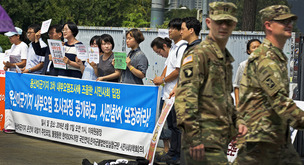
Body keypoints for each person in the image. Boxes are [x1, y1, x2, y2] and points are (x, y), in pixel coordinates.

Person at [175, 2, 247, 164]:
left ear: (233, 25)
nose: (223, 26)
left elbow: (224, 100)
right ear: (209, 23)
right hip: (202, 142)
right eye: (218, 22)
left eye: (227, 22)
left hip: (219, 140)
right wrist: (194, 138)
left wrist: (238, 122)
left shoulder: (223, 58)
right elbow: (185, 98)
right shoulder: (199, 55)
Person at [235, 5, 304, 165]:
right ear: (268, 25)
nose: (289, 24)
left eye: (290, 21)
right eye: (282, 21)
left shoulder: (275, 56)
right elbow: (280, 103)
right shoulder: (266, 59)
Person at [154, 18, 187, 164]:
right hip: (168, 93)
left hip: (176, 93)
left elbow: (180, 71)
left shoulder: (183, 47)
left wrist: (163, 80)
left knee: (177, 127)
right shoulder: (174, 47)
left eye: (173, 28)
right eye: (169, 28)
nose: (169, 31)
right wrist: (160, 78)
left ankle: (178, 155)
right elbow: (168, 67)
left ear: (181, 30)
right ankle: (172, 152)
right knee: (172, 126)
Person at [151, 37, 173, 155]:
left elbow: (177, 72)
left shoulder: (175, 54)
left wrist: (162, 79)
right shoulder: (169, 58)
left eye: (159, 52)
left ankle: (170, 150)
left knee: (170, 125)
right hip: (165, 93)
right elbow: (165, 72)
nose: (159, 55)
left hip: (171, 95)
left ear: (164, 46)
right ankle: (166, 149)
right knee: (164, 123)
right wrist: (160, 79)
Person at [233, 39, 261, 106]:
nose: (257, 49)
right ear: (248, 51)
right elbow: (237, 86)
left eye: (259, 47)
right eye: (254, 47)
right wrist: (237, 105)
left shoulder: (268, 65)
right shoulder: (243, 65)